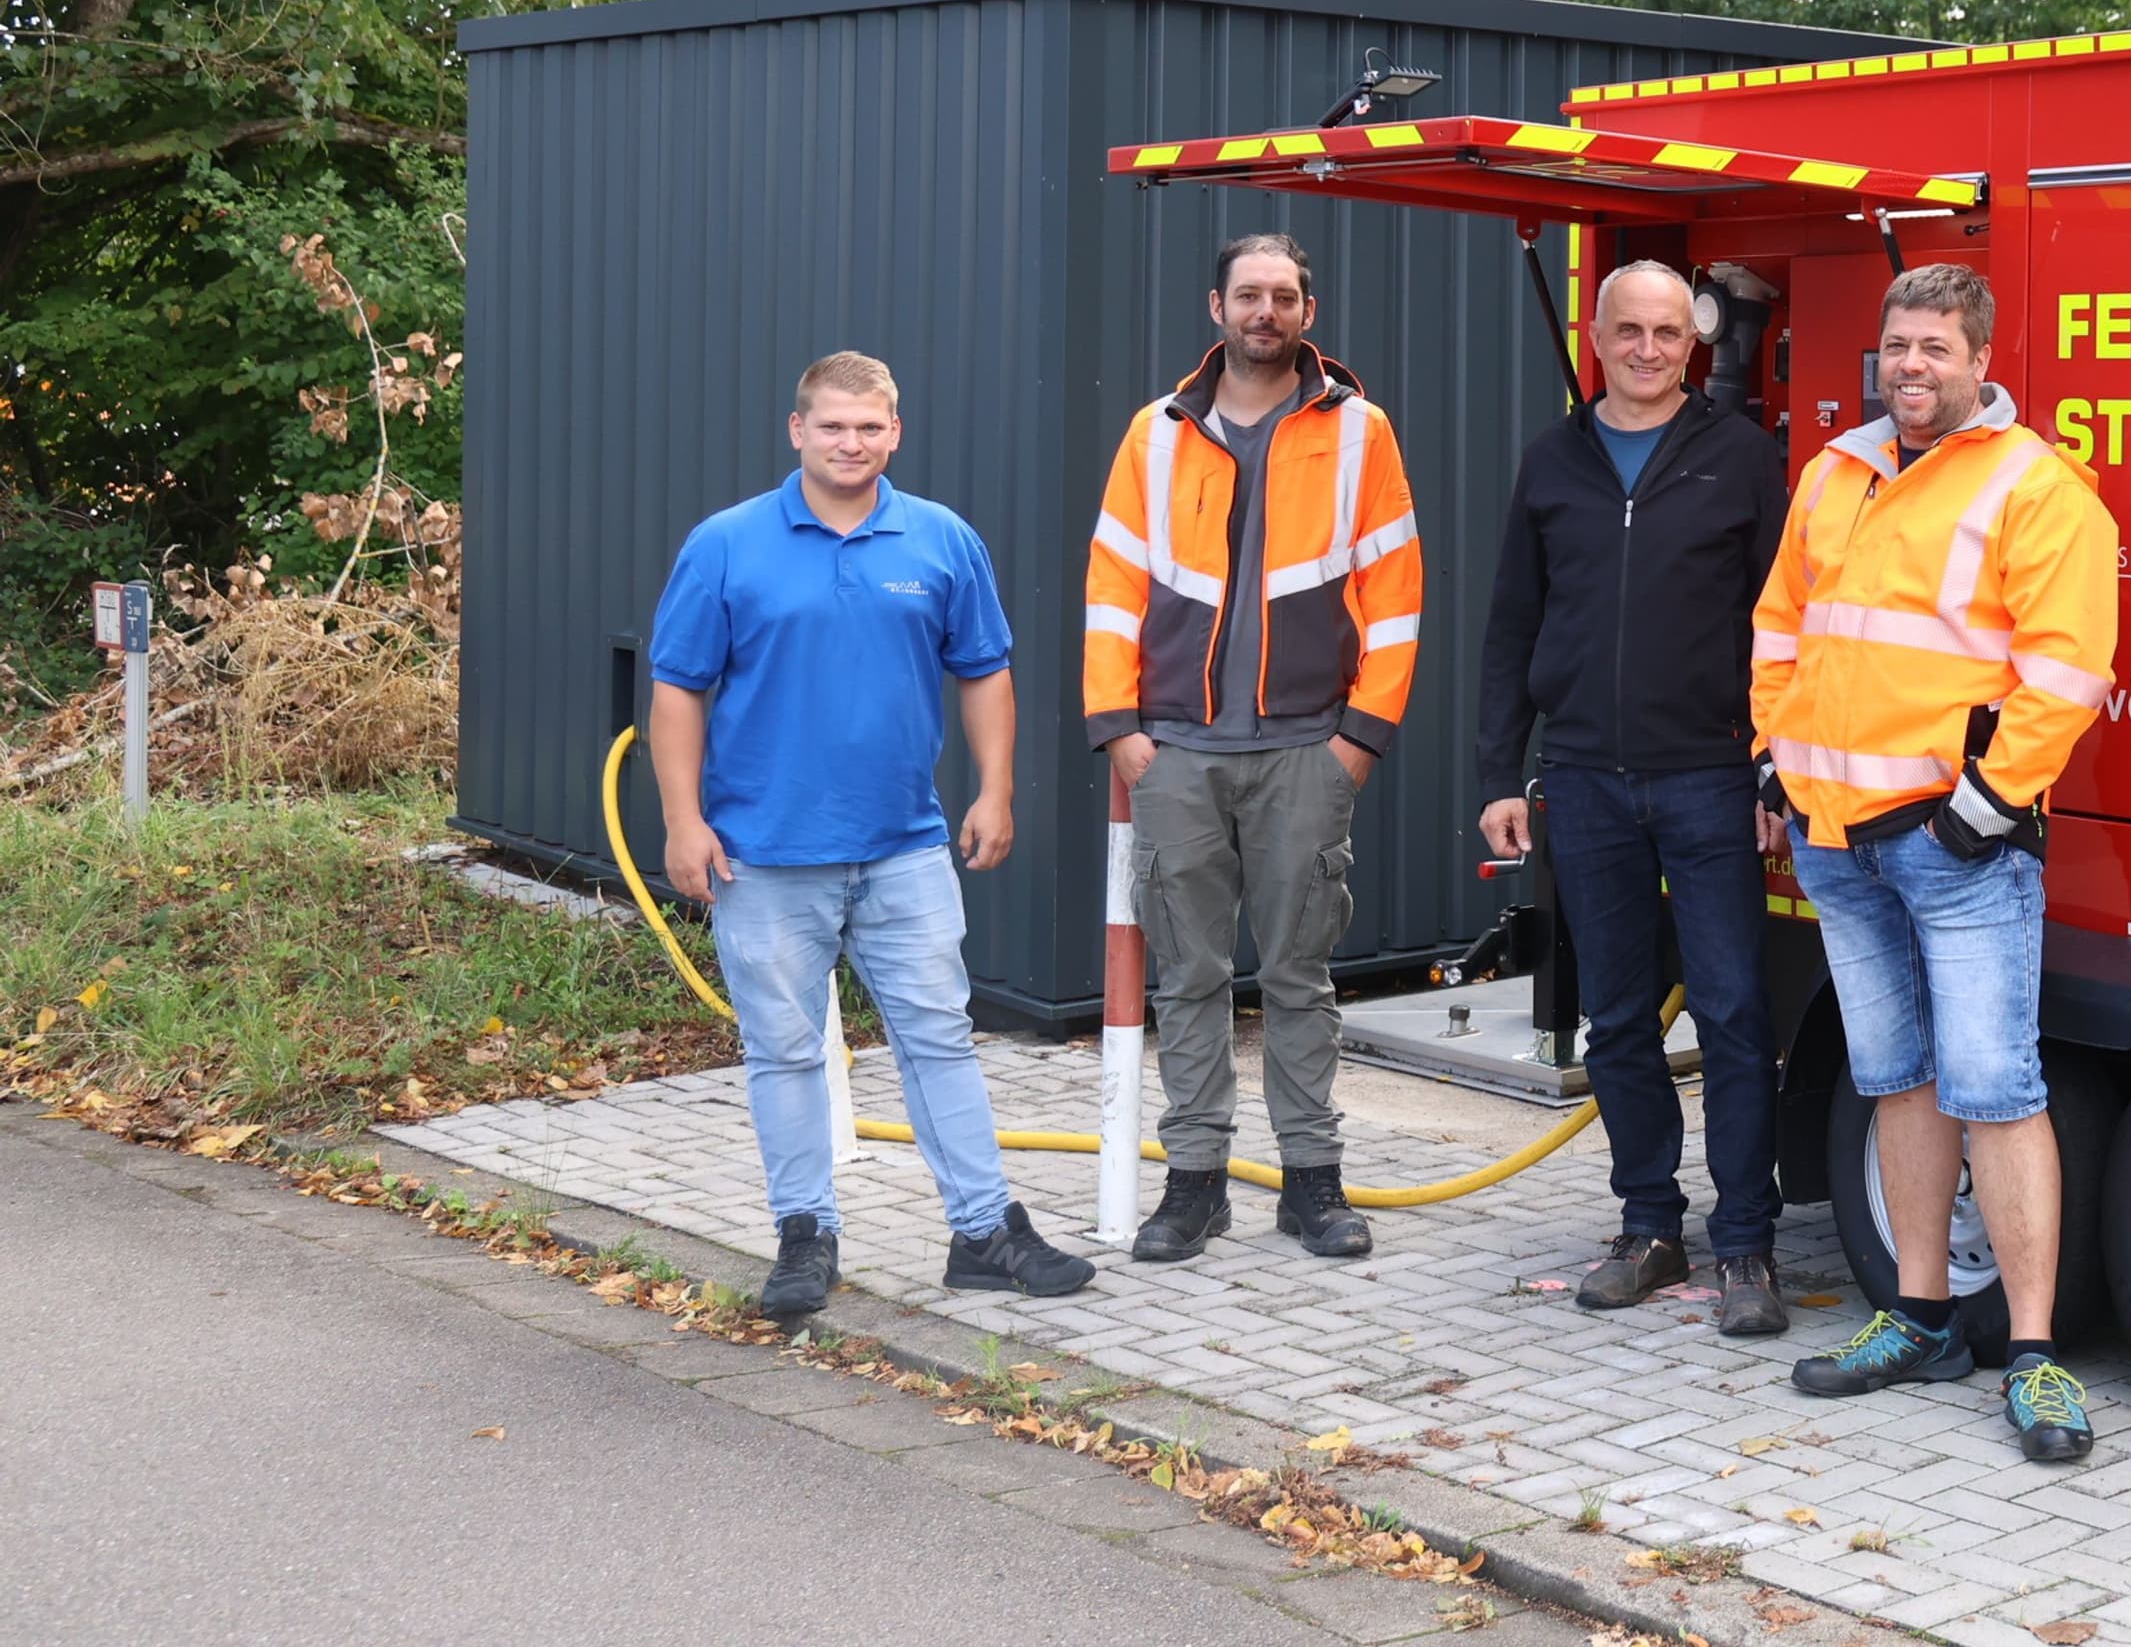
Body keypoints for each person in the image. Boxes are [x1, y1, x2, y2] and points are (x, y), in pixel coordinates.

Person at [1755, 262, 2119, 1464]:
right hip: (1838, 840)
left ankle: (2033, 1354)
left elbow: (2067, 670)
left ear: (1980, 359)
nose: (1912, 366)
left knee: (1997, 1087)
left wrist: (1984, 804)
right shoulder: (1835, 470)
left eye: (1936, 349)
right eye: (1898, 345)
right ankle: (1916, 1317)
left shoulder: (2037, 483)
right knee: (1894, 1074)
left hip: (1957, 847)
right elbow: (1781, 627)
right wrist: (1773, 761)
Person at [648, 351, 1095, 1321]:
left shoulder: (940, 540)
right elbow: (678, 690)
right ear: (796, 430)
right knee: (785, 1051)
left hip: (904, 848)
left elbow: (984, 670)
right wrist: (684, 821)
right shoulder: (726, 545)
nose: (851, 443)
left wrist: (995, 789)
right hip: (762, 858)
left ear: (895, 433)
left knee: (939, 1040)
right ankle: (804, 1237)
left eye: (870, 427)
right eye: (833, 425)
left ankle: (983, 1233)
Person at [1085, 231, 1423, 1263]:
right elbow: (1112, 587)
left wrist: (1357, 741)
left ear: (1307, 313)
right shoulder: (1157, 432)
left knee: (1298, 977)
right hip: (1176, 753)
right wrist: (1122, 733)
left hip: (1305, 753)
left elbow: (1397, 596)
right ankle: (1193, 1186)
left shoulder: (1360, 432)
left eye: (1283, 296)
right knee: (1185, 975)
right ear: (1216, 307)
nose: (1264, 311)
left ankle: (1312, 1185)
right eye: (1248, 295)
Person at [1477, 260, 1791, 1335]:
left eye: (1669, 331)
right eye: (1631, 330)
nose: (1651, 348)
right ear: (1597, 336)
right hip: (1585, 781)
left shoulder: (1743, 459)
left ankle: (1747, 1241)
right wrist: (1495, 776)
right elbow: (1512, 624)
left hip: (1710, 778)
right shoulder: (1551, 462)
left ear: (1692, 344)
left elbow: (1782, 624)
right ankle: (1650, 1228)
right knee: (1616, 1019)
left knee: (1736, 1015)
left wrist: (1771, 763)